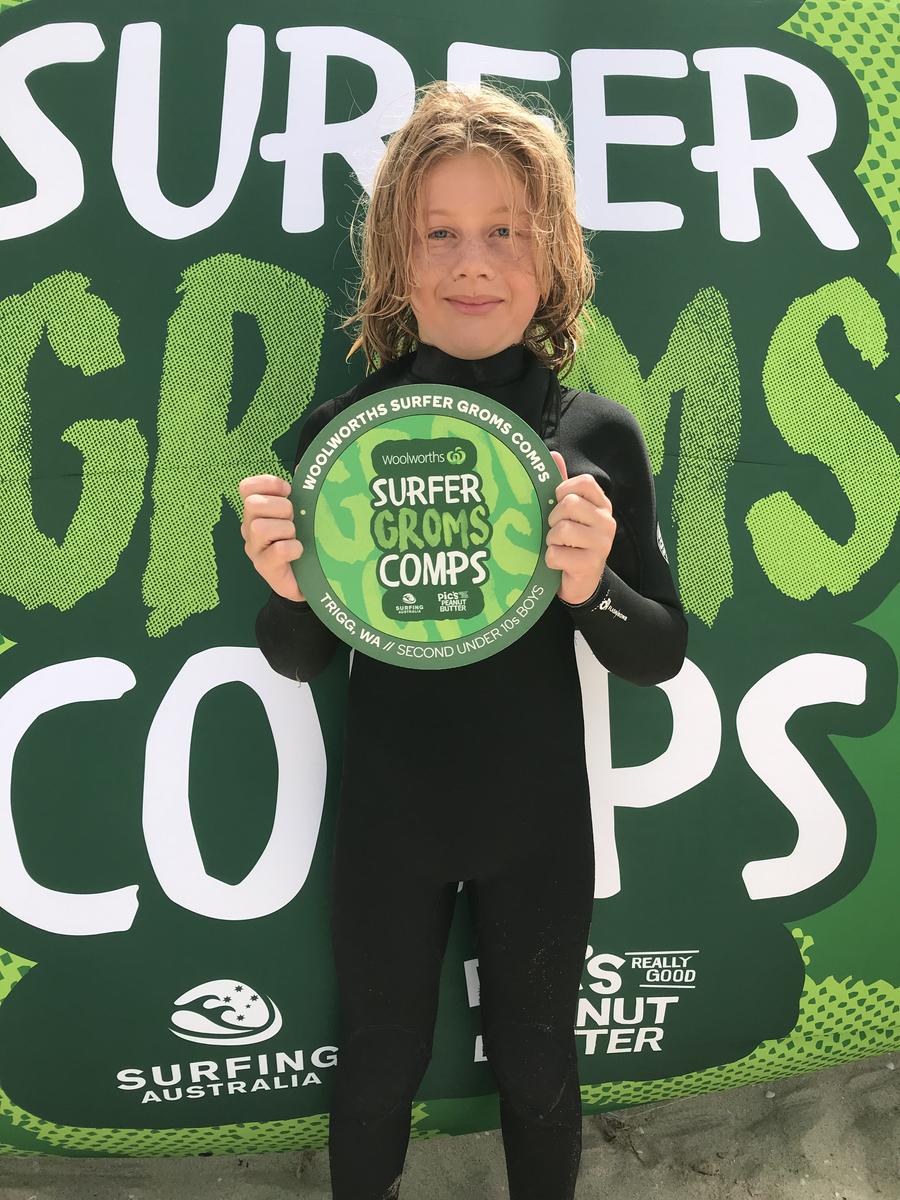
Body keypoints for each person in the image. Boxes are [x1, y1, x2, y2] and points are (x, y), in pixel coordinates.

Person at [239, 80, 688, 1200]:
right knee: (378, 1061)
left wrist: (590, 587)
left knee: (539, 1065)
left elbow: (659, 653)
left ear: (555, 258)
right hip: (391, 824)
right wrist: (290, 586)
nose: (472, 263)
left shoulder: (595, 436)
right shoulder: (342, 438)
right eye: (439, 233)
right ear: (396, 259)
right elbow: (298, 656)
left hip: (539, 827)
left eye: (505, 232)